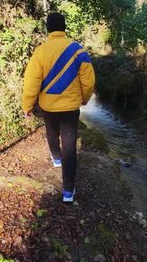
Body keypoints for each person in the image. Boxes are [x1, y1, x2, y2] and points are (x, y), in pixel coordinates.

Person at [22, 12, 96, 203]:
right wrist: (85, 98)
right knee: (70, 147)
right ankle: (68, 192)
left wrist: (27, 105)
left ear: (48, 29)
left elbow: (31, 82)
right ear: (64, 28)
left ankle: (56, 159)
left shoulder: (40, 51)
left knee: (51, 131)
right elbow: (88, 80)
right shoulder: (78, 50)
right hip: (70, 107)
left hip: (48, 105)